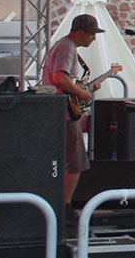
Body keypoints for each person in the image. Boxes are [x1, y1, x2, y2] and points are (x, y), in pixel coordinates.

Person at [43, 13, 105, 206]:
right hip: (65, 113)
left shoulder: (64, 46)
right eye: (92, 34)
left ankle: (58, 204)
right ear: (80, 32)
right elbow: (60, 79)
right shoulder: (67, 47)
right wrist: (83, 93)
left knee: (65, 161)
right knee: (76, 162)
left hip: (59, 111)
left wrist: (84, 89)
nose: (94, 38)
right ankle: (65, 206)